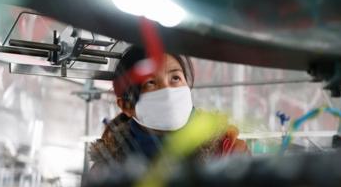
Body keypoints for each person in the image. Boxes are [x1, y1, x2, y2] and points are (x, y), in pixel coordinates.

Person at [89, 45, 249, 174]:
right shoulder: (106, 171)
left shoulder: (229, 153)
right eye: (150, 82)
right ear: (127, 106)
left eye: (175, 78)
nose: (168, 91)